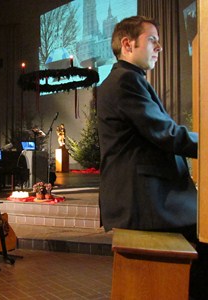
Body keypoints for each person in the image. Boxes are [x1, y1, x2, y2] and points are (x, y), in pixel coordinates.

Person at [97, 16, 206, 298]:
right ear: (127, 43)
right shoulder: (125, 81)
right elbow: (165, 133)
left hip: (150, 198)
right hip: (146, 202)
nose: (159, 48)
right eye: (152, 40)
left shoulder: (129, 79)